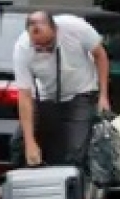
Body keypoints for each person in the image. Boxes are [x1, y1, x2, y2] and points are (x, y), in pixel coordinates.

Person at [13, 10, 111, 174]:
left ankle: (74, 193)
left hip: (81, 92)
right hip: (46, 95)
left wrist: (103, 96)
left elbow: (100, 55)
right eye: (38, 47)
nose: (44, 49)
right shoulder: (22, 47)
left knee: (75, 149)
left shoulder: (76, 28)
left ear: (56, 30)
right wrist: (30, 142)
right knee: (19, 143)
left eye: (48, 44)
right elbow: (24, 96)